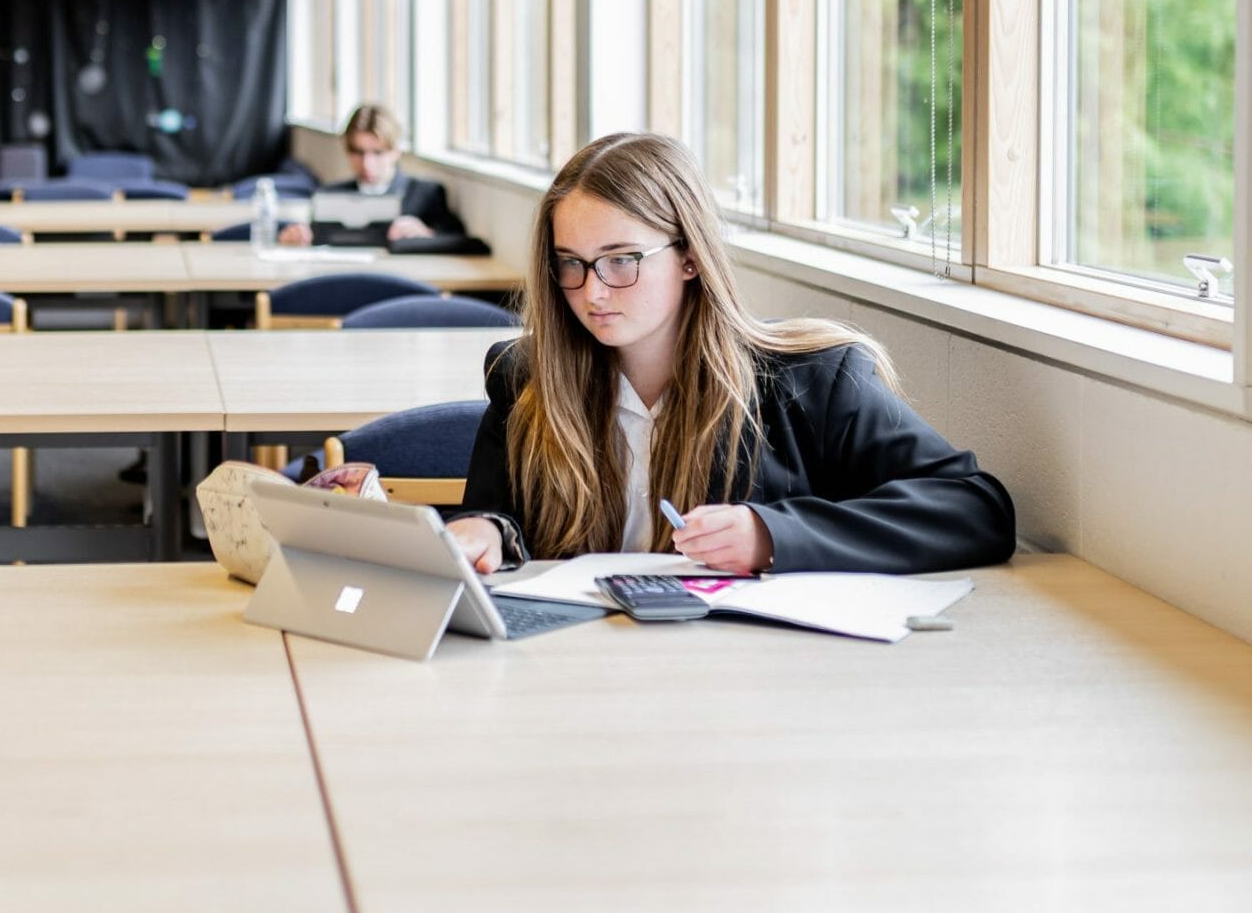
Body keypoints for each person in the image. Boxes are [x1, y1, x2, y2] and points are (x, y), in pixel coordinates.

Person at [446, 130, 1015, 577]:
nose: (592, 291)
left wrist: (772, 535)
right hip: (576, 669)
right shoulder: (523, 377)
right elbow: (497, 522)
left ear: (690, 256)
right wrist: (487, 534)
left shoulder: (811, 379)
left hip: (748, 682)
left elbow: (974, 508)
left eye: (621, 259)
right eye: (571, 262)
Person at [278, 102, 468, 250]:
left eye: (377, 153)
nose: (367, 163)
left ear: (395, 151)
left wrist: (427, 234)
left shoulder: (425, 194)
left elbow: (462, 241)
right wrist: (297, 236)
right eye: (358, 152)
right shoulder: (329, 195)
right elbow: (315, 240)